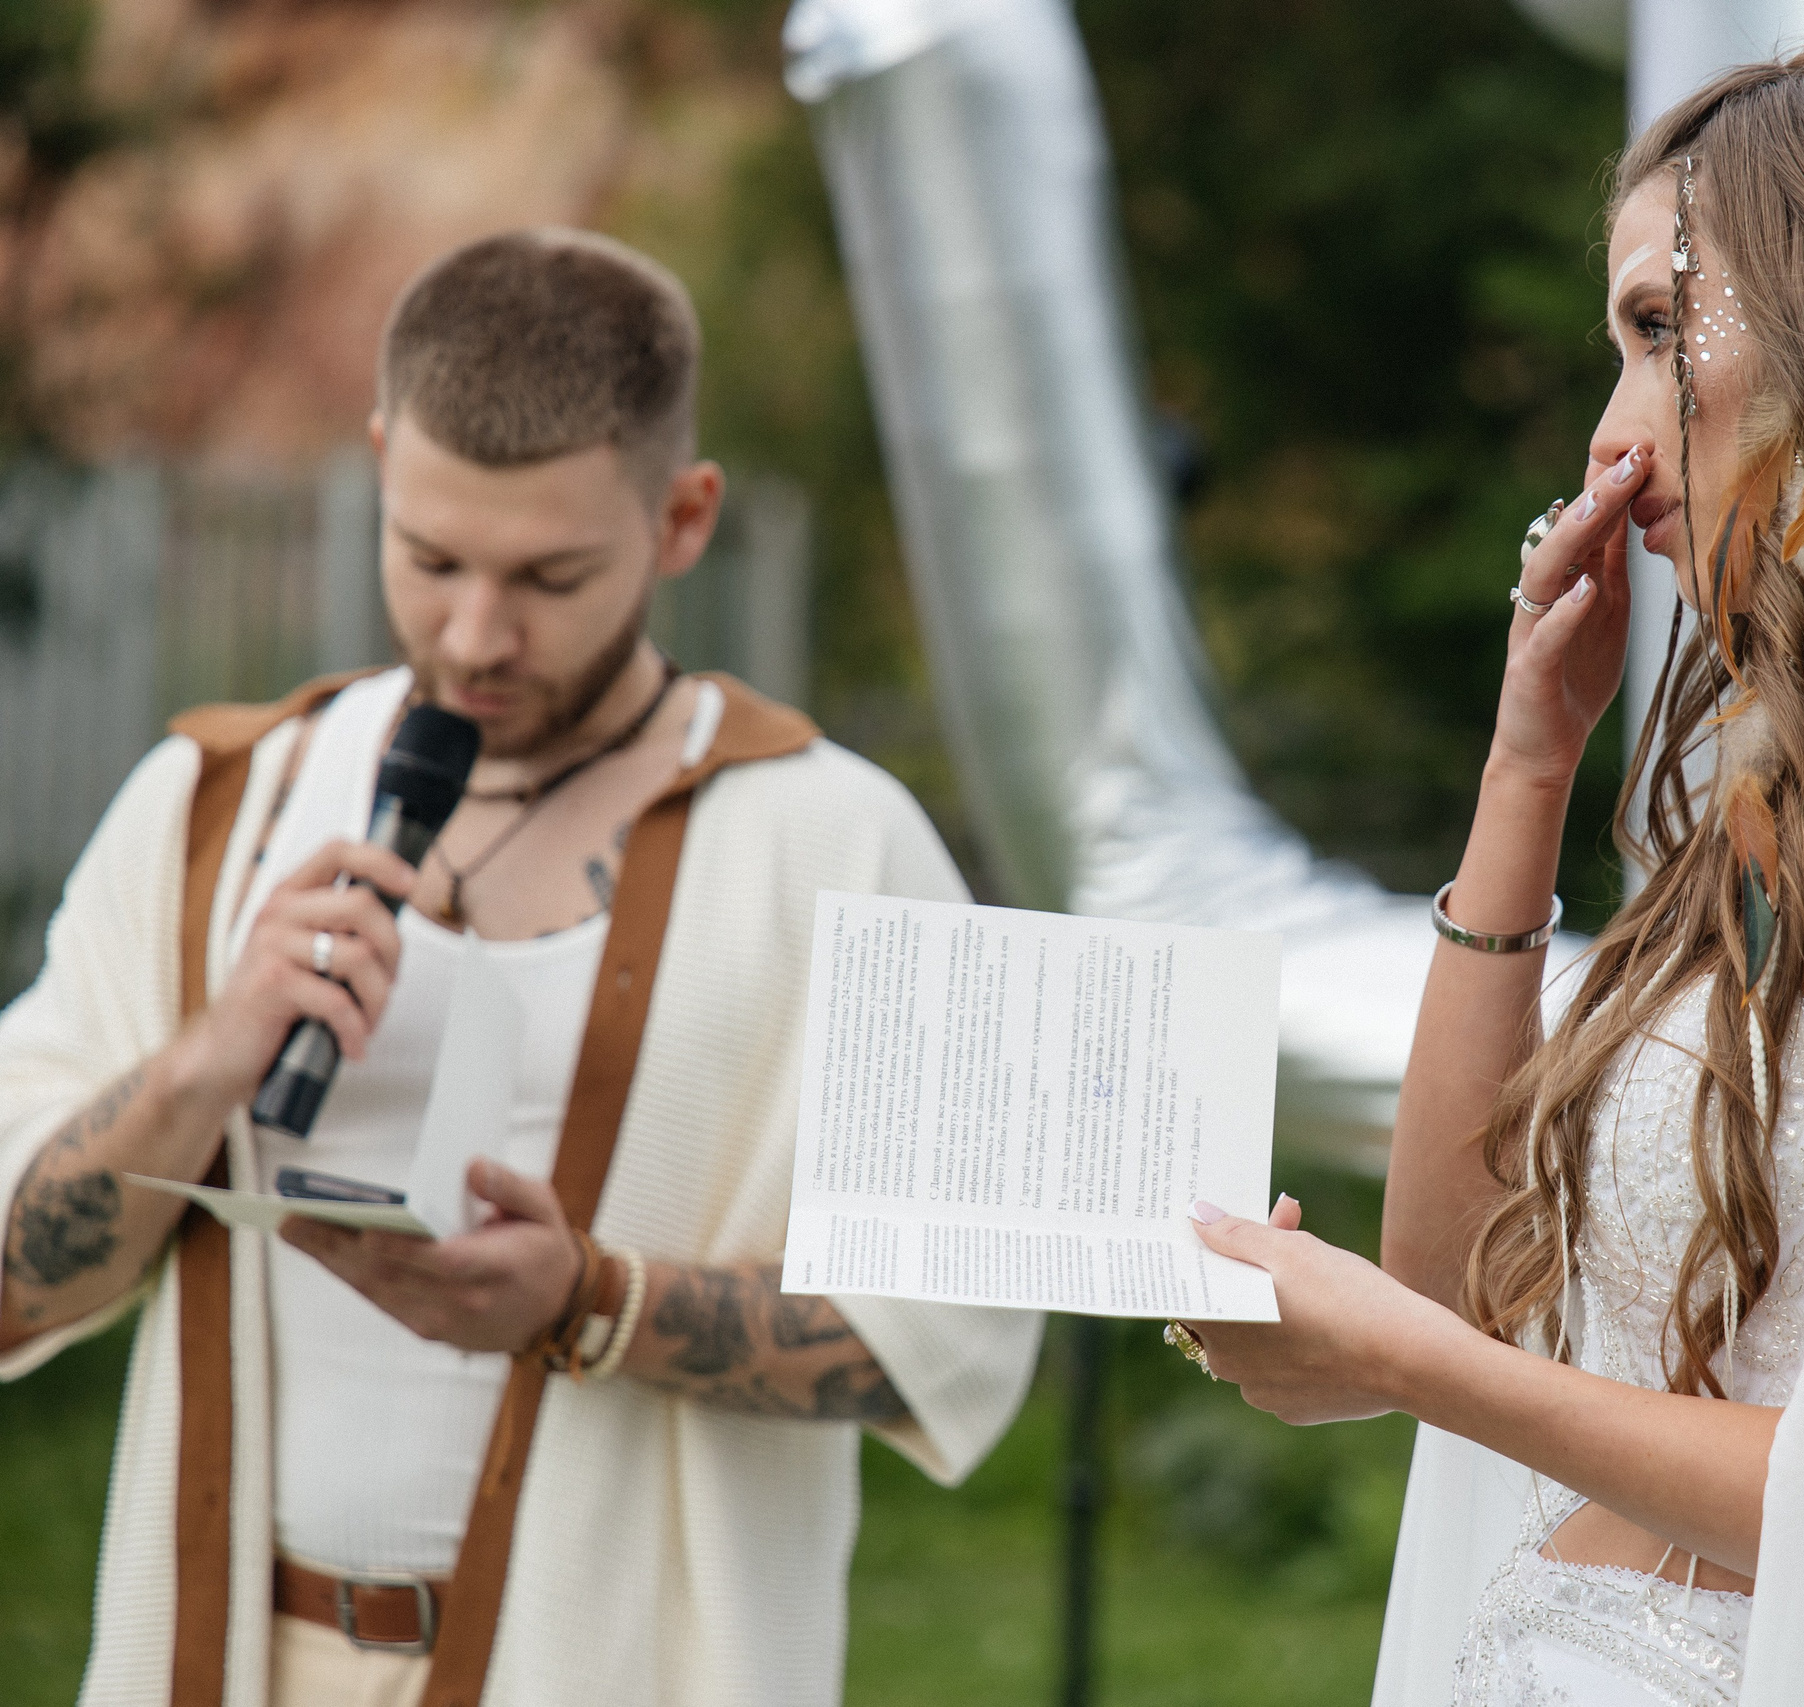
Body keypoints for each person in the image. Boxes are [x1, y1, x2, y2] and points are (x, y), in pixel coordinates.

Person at [1178, 35, 1804, 1706]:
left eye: (1660, 332)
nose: (1608, 442)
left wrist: (1409, 1364)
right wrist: (1527, 768)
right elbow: (1450, 1285)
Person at [0, 228, 1042, 1707]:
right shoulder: (211, 805)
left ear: (684, 518)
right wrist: (198, 1063)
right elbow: (12, 1276)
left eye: (550, 575)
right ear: (378, 462)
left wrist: (588, 1301)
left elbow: (949, 1340)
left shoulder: (843, 843)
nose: (475, 634)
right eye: (430, 560)